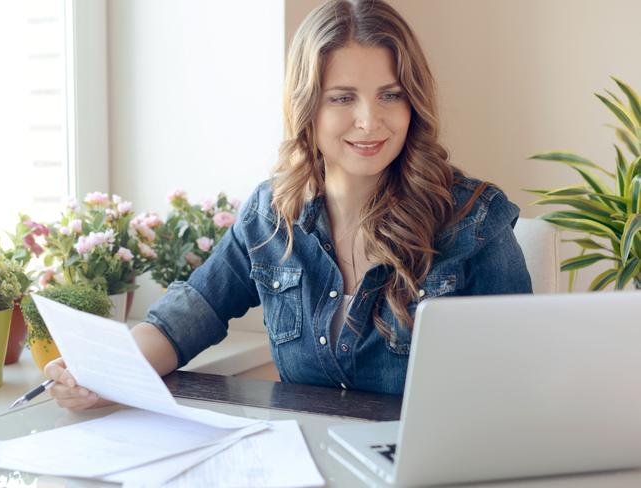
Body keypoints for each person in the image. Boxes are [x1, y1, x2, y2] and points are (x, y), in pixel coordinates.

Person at [45, 0, 531, 410]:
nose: (370, 121)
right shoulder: (271, 214)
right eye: (342, 98)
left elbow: (521, 386)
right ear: (308, 108)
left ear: (413, 104)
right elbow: (187, 318)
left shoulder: (475, 221)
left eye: (390, 95)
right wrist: (100, 372)